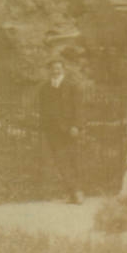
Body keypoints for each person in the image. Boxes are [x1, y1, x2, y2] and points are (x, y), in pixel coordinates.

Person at [38, 57, 83, 203]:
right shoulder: (45, 88)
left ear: (63, 69)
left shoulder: (71, 86)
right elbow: (43, 109)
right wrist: (44, 127)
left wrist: (76, 126)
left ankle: (77, 192)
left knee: (73, 159)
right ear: (49, 71)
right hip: (53, 130)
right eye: (53, 69)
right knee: (60, 160)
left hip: (69, 129)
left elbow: (78, 107)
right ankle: (72, 192)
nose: (55, 71)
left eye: (58, 68)